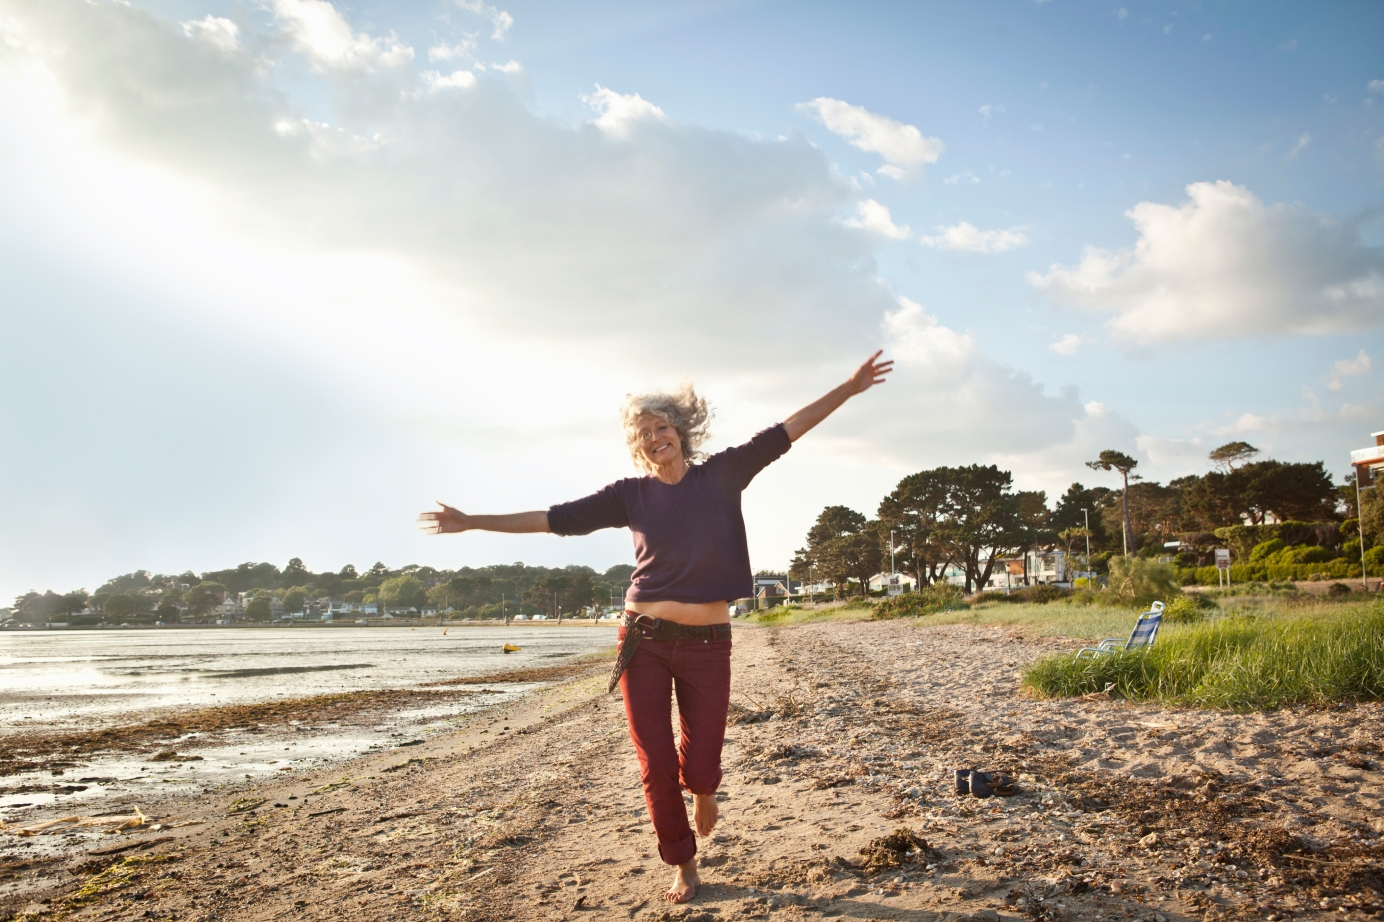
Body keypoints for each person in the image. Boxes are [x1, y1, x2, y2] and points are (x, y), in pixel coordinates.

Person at [418, 350, 893, 903]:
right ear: (636, 444)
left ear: (681, 431)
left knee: (702, 758)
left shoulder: (724, 473)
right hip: (642, 641)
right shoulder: (630, 494)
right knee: (654, 762)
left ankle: (705, 789)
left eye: (661, 427)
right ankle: (683, 863)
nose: (653, 437)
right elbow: (553, 519)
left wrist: (850, 387)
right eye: (642, 432)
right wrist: (472, 521)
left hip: (709, 644)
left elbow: (788, 430)